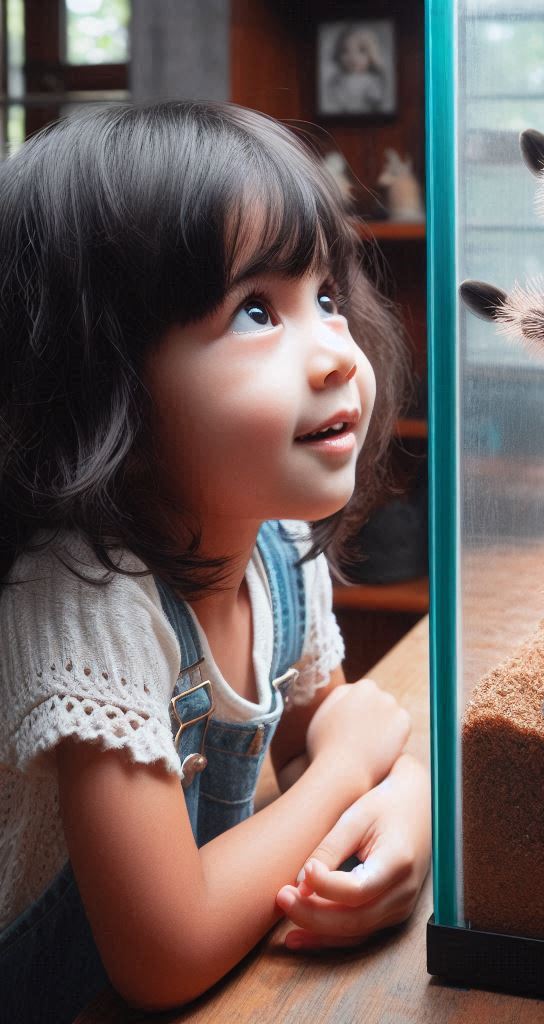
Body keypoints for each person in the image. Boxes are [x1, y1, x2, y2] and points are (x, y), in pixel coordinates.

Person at [0, 100, 430, 1021]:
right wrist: (349, 780)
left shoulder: (274, 546)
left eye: (324, 298)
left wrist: (409, 814)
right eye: (254, 312)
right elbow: (166, 947)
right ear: (103, 387)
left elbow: (347, 725)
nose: (334, 355)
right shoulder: (86, 601)